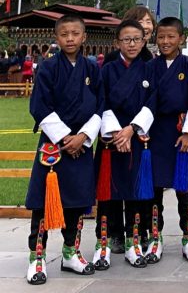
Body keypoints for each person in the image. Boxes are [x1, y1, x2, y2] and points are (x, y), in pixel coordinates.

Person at [24, 15, 103, 284]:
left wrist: (82, 136)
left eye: (75, 33)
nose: (70, 38)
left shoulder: (93, 70)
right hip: (53, 147)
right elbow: (39, 107)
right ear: (56, 38)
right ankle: (37, 257)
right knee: (44, 204)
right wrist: (65, 136)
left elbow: (101, 107)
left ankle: (71, 252)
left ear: (84, 37)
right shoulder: (47, 68)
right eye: (64, 34)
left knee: (78, 202)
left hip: (81, 146)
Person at [95, 18, 157, 270]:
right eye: (126, 39)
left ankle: (134, 239)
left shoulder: (150, 69)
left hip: (137, 138)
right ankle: (108, 240)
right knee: (109, 193)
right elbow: (101, 101)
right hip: (112, 140)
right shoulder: (107, 70)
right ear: (117, 42)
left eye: (137, 39)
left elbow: (154, 101)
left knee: (134, 192)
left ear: (144, 41)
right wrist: (116, 133)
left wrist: (131, 130)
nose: (132, 44)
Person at [148, 17, 188, 263]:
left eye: (171, 37)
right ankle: (155, 236)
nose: (166, 41)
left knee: (184, 190)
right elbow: (145, 101)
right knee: (154, 190)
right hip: (155, 132)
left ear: (181, 38)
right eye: (161, 37)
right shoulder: (150, 67)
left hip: (181, 134)